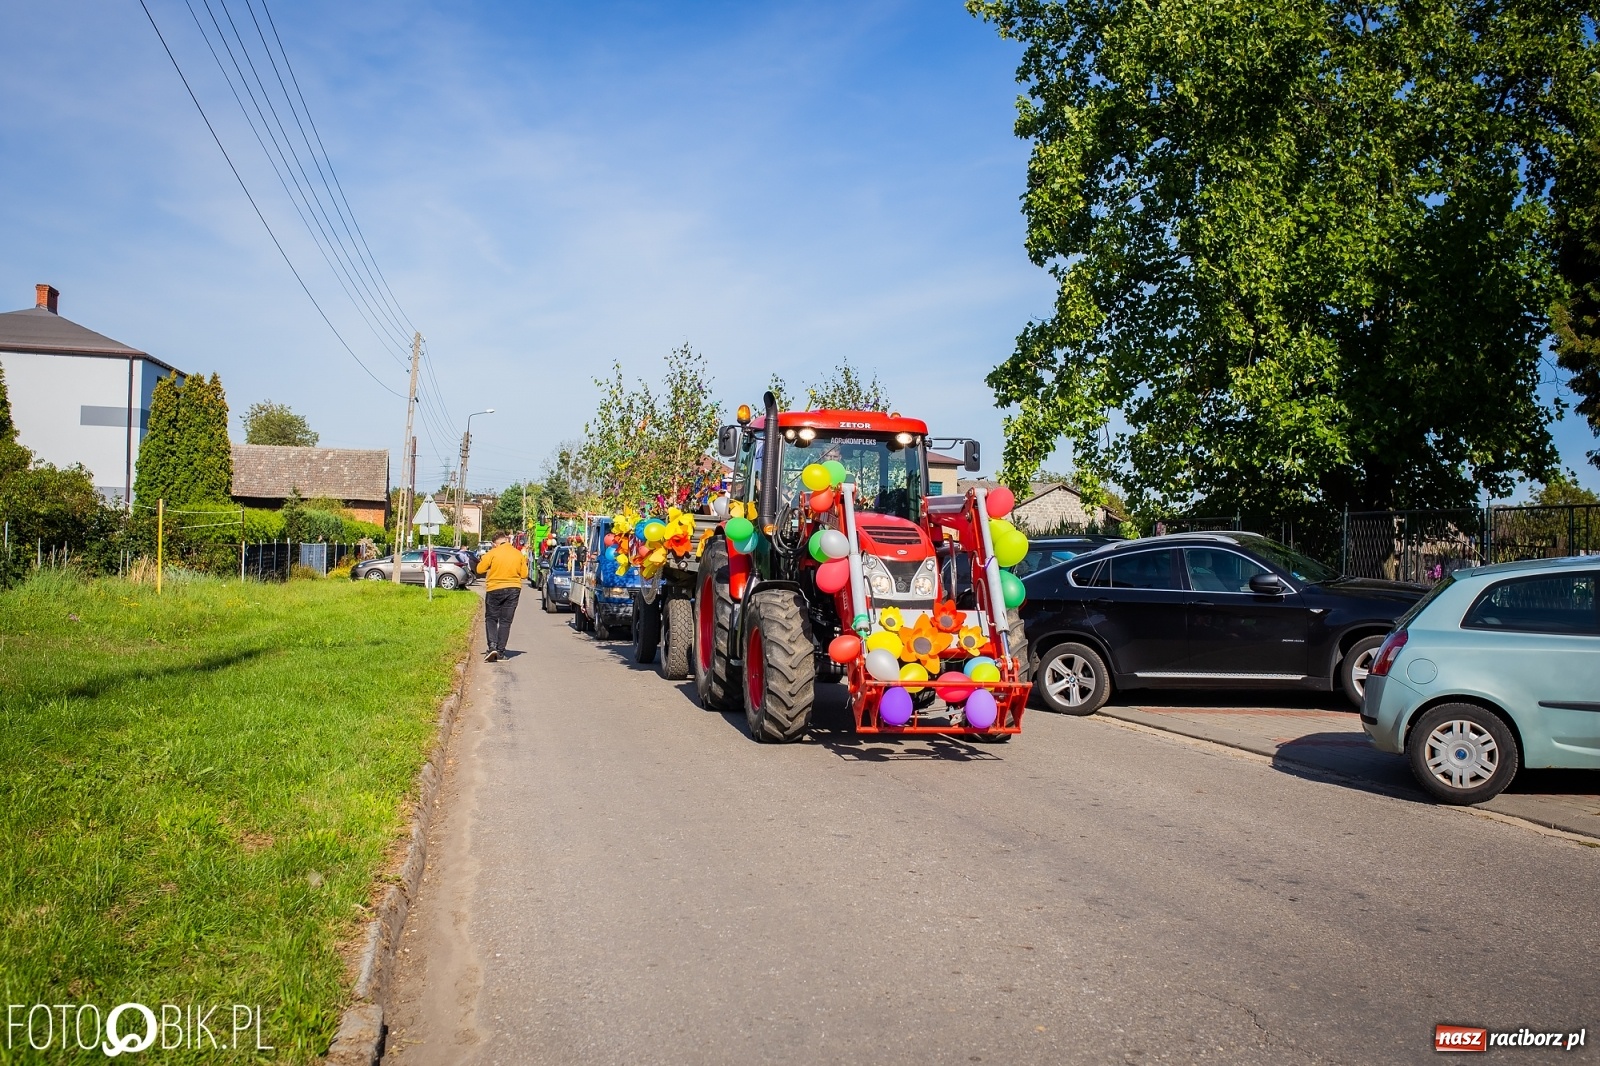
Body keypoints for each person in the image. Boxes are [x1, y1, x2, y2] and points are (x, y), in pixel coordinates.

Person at [476, 532, 529, 661]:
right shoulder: (518, 554)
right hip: (513, 589)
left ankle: (492, 646)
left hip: (494, 588)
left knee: (491, 618)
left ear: (495, 544)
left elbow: (479, 570)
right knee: (506, 621)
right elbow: (524, 575)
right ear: (507, 540)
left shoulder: (492, 553)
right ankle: (500, 651)